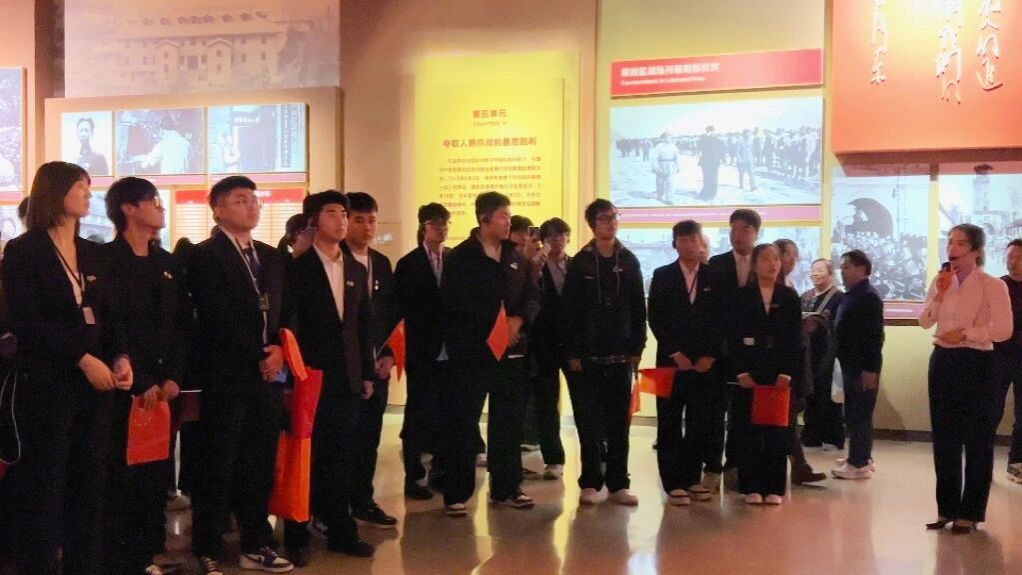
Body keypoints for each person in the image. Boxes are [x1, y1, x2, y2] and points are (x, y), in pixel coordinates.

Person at [1, 161, 133, 574]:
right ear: (56, 191)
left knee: (89, 488)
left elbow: (110, 316)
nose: (88, 194)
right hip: (48, 387)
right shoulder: (24, 251)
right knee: (46, 487)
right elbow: (26, 320)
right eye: (80, 186)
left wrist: (121, 357)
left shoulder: (93, 251)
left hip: (96, 389)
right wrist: (82, 357)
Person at [187, 176, 293, 574]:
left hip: (269, 376)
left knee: (259, 462)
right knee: (219, 461)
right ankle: (208, 546)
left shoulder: (271, 256)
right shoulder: (204, 256)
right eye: (239, 200)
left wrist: (279, 349)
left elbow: (286, 311)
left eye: (253, 199)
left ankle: (255, 542)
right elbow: (215, 317)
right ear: (217, 209)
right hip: (226, 375)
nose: (250, 206)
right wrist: (256, 355)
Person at [100, 177, 190, 575]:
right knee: (122, 473)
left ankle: (149, 553)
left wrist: (173, 376)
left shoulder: (167, 263)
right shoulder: (105, 261)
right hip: (123, 386)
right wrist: (139, 380)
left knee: (157, 472)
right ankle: (121, 559)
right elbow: (110, 326)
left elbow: (180, 325)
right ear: (129, 208)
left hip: (163, 389)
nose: (161, 207)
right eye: (153, 201)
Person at [283, 191, 376, 563]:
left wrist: (366, 372)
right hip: (309, 375)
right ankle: (296, 533)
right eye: (333, 213)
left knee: (341, 457)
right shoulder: (297, 268)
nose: (341, 221)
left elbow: (362, 325)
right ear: (314, 220)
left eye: (344, 214)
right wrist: (294, 373)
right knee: (305, 455)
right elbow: (288, 324)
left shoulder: (355, 269)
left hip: (347, 377)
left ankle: (340, 529)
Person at [440, 191, 539, 516]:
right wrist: (493, 327)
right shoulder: (462, 257)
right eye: (503, 216)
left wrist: (517, 320)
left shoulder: (515, 255)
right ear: (484, 218)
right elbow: (455, 305)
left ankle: (507, 486)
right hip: (472, 353)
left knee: (508, 422)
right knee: (464, 423)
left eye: (509, 216)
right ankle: (456, 493)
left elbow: (531, 295)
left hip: (511, 353)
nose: (508, 222)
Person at [920, 224, 1012, 534]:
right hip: (943, 361)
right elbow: (924, 322)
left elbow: (1003, 330)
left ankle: (970, 512)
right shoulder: (941, 281)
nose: (952, 248)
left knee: (977, 439)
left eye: (960, 243)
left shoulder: (992, 285)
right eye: (950, 242)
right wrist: (939, 293)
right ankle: (946, 508)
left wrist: (966, 334)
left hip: (978, 363)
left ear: (977, 251)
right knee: (944, 438)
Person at [562, 199, 647, 506]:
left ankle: (618, 483)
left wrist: (637, 347)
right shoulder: (581, 262)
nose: (611, 222)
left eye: (614, 217)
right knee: (588, 422)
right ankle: (590, 481)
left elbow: (638, 307)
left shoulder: (629, 260)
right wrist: (572, 352)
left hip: (621, 354)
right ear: (592, 225)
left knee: (619, 424)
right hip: (587, 356)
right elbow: (569, 310)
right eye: (604, 218)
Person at [648, 220, 723, 506]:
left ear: (701, 243)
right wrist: (675, 352)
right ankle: (672, 482)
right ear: (674, 244)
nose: (689, 244)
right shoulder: (662, 275)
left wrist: (710, 355)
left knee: (698, 421)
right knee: (668, 420)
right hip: (670, 362)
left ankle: (692, 478)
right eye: (683, 239)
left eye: (693, 239)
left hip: (704, 364)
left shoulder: (714, 276)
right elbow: (656, 318)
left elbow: (721, 319)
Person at [341, 192, 400, 530]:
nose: (366, 227)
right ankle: (334, 506)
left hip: (378, 365)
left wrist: (389, 354)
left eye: (372, 220)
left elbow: (390, 314)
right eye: (358, 219)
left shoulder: (381, 262)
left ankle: (363, 499)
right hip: (346, 369)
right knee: (342, 440)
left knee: (369, 438)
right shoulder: (335, 258)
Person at [731, 243, 802, 505]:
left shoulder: (789, 296)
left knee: (776, 430)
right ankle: (750, 486)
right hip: (749, 370)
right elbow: (733, 336)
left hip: (778, 370)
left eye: (775, 259)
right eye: (765, 259)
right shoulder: (742, 296)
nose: (772, 264)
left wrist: (787, 372)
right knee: (749, 429)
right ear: (754, 264)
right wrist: (740, 371)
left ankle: (774, 487)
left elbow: (795, 339)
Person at [394, 203, 451, 500]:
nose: (441, 229)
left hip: (450, 349)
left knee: (445, 412)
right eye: (435, 223)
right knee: (418, 413)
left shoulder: (453, 259)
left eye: (445, 223)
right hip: (421, 349)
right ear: (423, 227)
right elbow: (401, 308)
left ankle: (440, 471)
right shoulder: (409, 263)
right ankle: (414, 475)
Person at [707, 208, 762, 491]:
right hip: (721, 349)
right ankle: (713, 464)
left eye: (744, 229)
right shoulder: (716, 264)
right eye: (733, 229)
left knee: (745, 410)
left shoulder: (764, 262)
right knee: (716, 409)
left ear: (756, 233)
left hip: (753, 352)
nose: (737, 235)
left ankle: (739, 462)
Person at [774, 238, 826, 485]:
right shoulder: (774, 288)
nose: (795, 261)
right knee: (784, 416)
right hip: (781, 361)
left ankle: (799, 465)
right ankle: (798, 465)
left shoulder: (788, 285)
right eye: (791, 255)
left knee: (790, 415)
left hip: (796, 359)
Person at [527, 217, 574, 480]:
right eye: (551, 236)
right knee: (546, 403)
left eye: (561, 235)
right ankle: (553, 458)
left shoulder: (578, 265)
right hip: (543, 344)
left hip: (573, 345)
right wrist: (534, 267)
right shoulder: (536, 266)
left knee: (585, 401)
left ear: (568, 237)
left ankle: (596, 454)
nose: (556, 240)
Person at [831, 250, 884, 480]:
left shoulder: (868, 297)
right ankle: (861, 455)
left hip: (862, 365)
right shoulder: (852, 295)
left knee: (859, 413)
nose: (842, 272)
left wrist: (869, 370)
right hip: (850, 363)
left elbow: (874, 337)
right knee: (856, 411)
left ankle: (858, 463)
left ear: (862, 269)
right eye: (841, 267)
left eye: (847, 267)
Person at [800, 259, 846, 451]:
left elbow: (842, 326)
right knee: (809, 394)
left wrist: (821, 325)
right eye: (813, 270)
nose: (815, 273)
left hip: (829, 353)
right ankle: (811, 436)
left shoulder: (839, 298)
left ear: (830, 274)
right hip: (807, 352)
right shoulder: (805, 296)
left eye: (820, 270)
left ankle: (832, 437)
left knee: (829, 395)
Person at [994, 239, 1022, 484]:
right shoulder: (997, 286)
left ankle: (1017, 462)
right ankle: (981, 463)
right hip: (998, 356)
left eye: (1019, 258)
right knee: (991, 410)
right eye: (1010, 256)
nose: (1013, 262)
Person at [697, 126, 726, 200]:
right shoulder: (703, 140)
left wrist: (723, 159)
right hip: (706, 162)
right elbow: (699, 147)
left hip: (714, 162)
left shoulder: (718, 141)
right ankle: (706, 192)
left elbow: (722, 150)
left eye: (713, 131)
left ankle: (712, 193)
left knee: (713, 178)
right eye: (709, 131)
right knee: (707, 178)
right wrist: (704, 137)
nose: (712, 133)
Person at [651, 133, 679, 203]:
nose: (670, 139)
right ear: (663, 138)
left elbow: (677, 157)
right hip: (661, 166)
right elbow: (654, 159)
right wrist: (656, 168)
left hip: (670, 166)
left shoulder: (673, 146)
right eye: (668, 137)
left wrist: (678, 166)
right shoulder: (659, 146)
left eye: (671, 137)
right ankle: (660, 195)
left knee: (670, 183)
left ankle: (669, 199)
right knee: (660, 182)